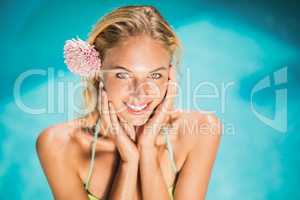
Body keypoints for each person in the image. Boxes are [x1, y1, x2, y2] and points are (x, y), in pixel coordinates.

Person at [36, 5, 222, 200]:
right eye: (123, 74)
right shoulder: (59, 145)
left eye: (155, 75)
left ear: (170, 76)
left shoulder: (201, 130)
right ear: (98, 73)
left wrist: (146, 149)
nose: (140, 92)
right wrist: (129, 162)